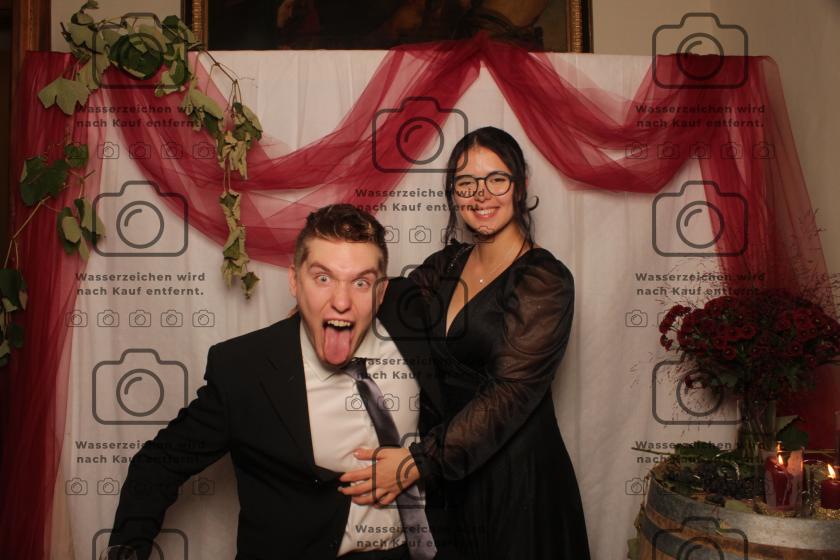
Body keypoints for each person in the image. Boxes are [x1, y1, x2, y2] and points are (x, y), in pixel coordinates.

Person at [107, 204, 456, 560]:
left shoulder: (411, 317)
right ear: (294, 281)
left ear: (381, 293)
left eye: (360, 282)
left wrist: (422, 460)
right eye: (322, 278)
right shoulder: (246, 370)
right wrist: (126, 549)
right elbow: (159, 463)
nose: (341, 301)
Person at [339, 127, 591, 559]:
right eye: (466, 182)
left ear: (519, 186)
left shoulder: (544, 279)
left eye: (496, 179)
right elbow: (388, 297)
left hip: (517, 481)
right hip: (454, 477)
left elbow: (509, 393)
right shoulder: (447, 264)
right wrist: (330, 298)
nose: (480, 194)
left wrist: (417, 462)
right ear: (453, 194)